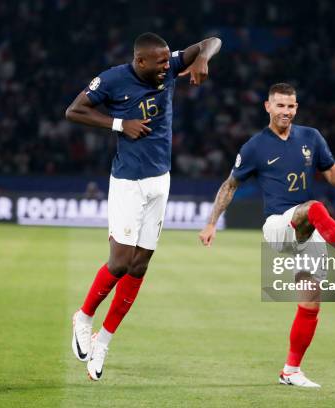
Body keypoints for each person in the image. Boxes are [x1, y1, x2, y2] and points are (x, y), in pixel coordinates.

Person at [199, 83, 335, 388]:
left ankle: (290, 370)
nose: (286, 112)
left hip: (307, 227)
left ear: (296, 107)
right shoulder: (255, 146)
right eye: (280, 106)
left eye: (290, 106)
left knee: (311, 302)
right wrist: (212, 223)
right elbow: (230, 185)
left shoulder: (311, 137)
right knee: (315, 206)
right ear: (267, 107)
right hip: (278, 225)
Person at [65, 32, 221, 381]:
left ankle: (103, 340)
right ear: (141, 62)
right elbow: (74, 111)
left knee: (139, 267)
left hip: (160, 181)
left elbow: (213, 40)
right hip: (127, 183)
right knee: (120, 263)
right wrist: (120, 124)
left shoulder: (169, 67)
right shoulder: (112, 79)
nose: (169, 66)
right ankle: (85, 315)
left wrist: (203, 58)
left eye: (170, 60)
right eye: (162, 62)